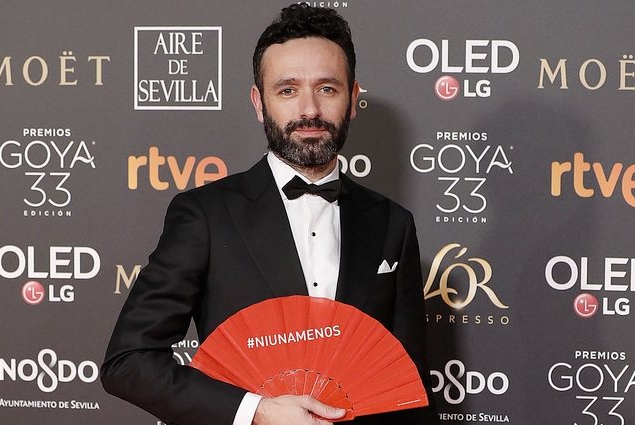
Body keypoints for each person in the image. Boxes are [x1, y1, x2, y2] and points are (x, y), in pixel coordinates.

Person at [101, 4, 438, 425]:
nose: (309, 109)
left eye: (327, 89)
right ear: (259, 103)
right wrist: (255, 412)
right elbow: (128, 361)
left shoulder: (392, 223)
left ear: (353, 99)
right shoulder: (204, 214)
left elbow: (407, 387)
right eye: (287, 90)